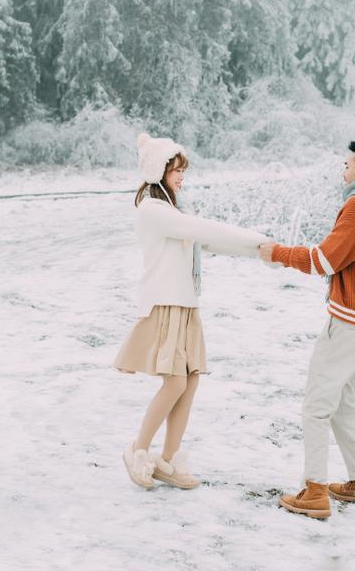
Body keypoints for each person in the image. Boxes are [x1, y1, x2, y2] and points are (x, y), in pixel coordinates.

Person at [114, 132, 267, 490]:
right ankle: (137, 450)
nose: (182, 176)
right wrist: (257, 237)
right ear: (158, 171)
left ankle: (167, 460)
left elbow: (209, 240)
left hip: (186, 306)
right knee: (175, 382)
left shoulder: (174, 212)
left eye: (183, 170)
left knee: (190, 380)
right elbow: (202, 229)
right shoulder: (154, 212)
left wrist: (262, 250)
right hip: (165, 303)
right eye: (175, 170)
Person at [259, 140, 355, 520]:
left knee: (316, 407)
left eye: (348, 165)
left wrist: (277, 253)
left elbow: (323, 260)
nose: (344, 170)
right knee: (341, 404)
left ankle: (315, 491)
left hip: (351, 324)